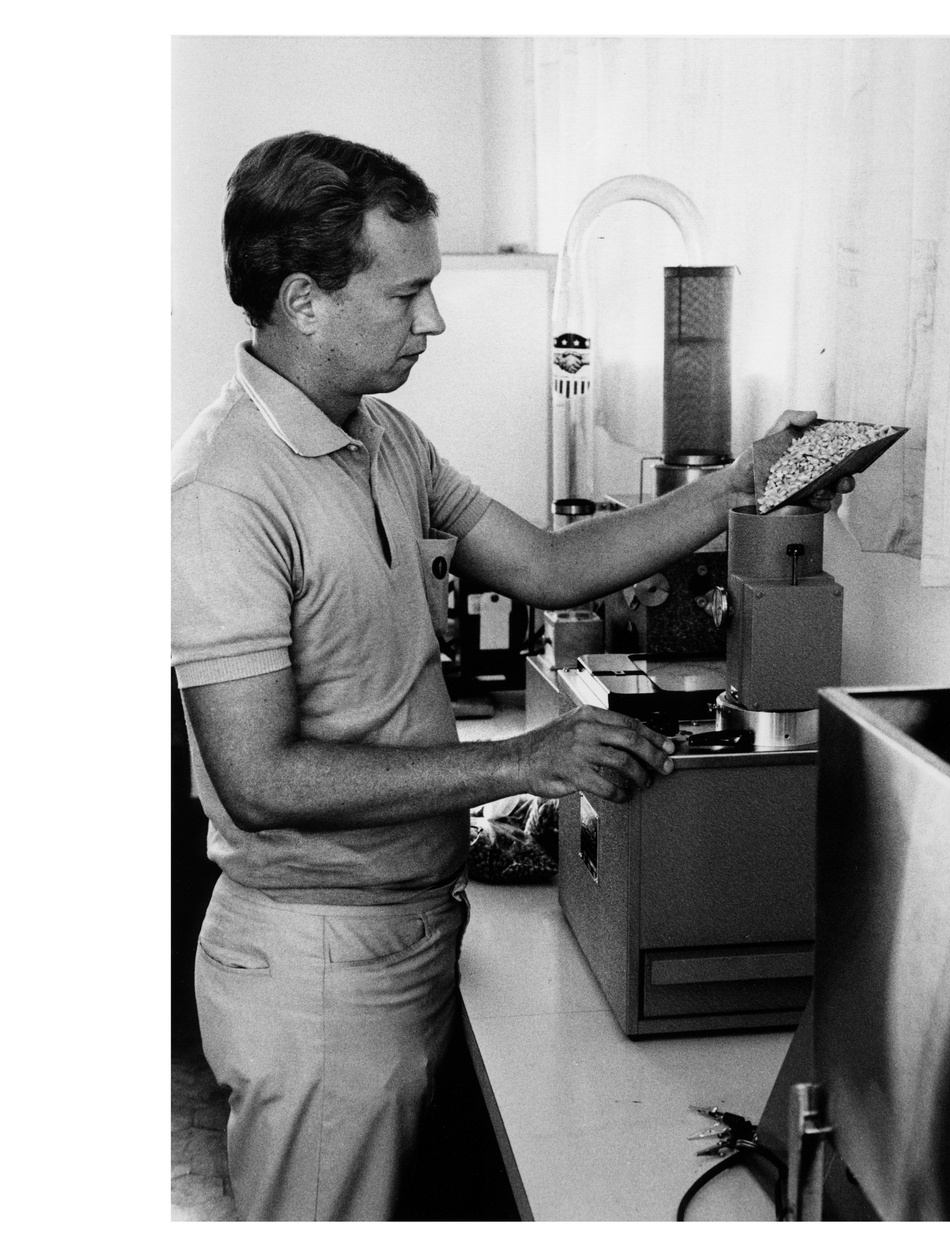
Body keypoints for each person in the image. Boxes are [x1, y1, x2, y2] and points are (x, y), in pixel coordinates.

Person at [171, 130, 852, 1221]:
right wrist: (524, 758)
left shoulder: (382, 437)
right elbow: (259, 776)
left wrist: (740, 482)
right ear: (303, 300)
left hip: (412, 923)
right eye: (407, 294)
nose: (431, 321)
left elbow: (546, 563)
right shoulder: (222, 490)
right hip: (316, 962)